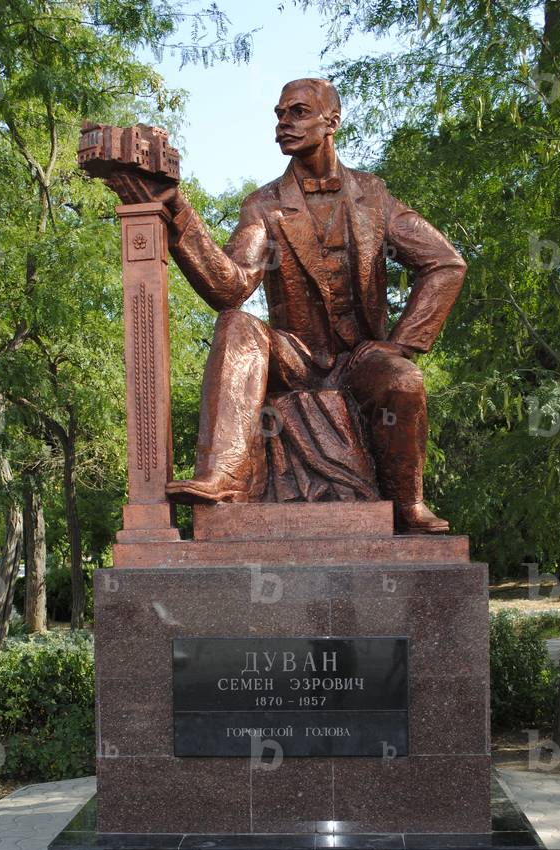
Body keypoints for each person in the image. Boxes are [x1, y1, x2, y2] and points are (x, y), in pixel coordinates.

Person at [107, 78, 467, 532]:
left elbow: (445, 263)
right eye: (279, 114)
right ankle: (223, 472)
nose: (282, 123)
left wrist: (400, 344)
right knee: (238, 324)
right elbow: (231, 286)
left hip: (361, 362)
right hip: (296, 357)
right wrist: (178, 209)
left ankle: (407, 504)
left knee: (404, 380)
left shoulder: (373, 196)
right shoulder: (263, 205)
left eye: (297, 112)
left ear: (331, 121)